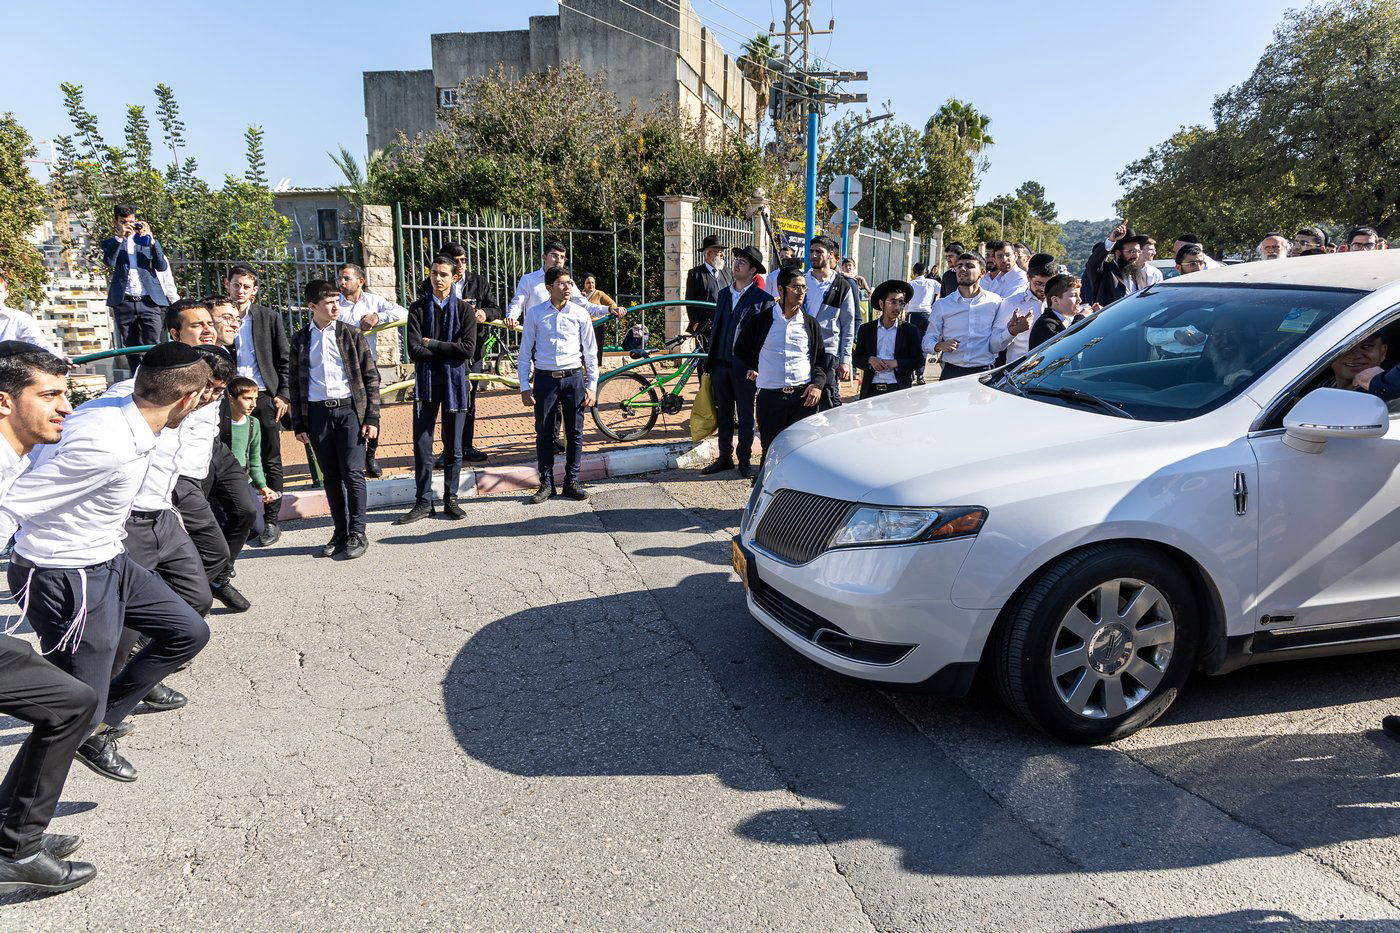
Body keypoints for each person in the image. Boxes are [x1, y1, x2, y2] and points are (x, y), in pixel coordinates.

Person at [1, 342, 213, 783]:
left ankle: (96, 725)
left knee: (186, 630)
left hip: (110, 557)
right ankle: (19, 835)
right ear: (188, 400)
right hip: (68, 573)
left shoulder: (124, 403)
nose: (61, 407)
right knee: (69, 709)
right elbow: (16, 502)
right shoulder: (107, 445)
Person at [0, 343, 98, 895]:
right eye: (51, 395)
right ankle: (16, 847)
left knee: (69, 700)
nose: (65, 407)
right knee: (71, 704)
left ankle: (11, 834)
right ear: (5, 402)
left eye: (66, 393)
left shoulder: (14, 458)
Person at [159, 303, 251, 613]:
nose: (208, 328)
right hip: (182, 462)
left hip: (214, 449)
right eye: (197, 325)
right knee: (204, 542)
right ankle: (173, 611)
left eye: (209, 322)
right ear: (175, 334)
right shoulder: (167, 369)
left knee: (245, 511)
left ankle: (217, 577)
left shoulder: (219, 352)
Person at [290, 280, 380, 559]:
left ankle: (358, 533)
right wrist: (299, 423)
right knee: (330, 476)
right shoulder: (300, 339)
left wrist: (372, 417)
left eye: (337, 301)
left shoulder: (351, 335)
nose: (335, 307)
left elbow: (370, 377)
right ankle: (340, 532)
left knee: (353, 473)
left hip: (349, 411)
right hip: (317, 414)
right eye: (328, 303)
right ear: (312, 306)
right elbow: (294, 382)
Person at [398, 256, 477, 524]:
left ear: (455, 277)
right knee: (422, 444)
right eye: (434, 273)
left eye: (443, 274)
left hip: (455, 385)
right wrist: (446, 349)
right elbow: (413, 350)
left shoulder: (465, 311)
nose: (437, 278)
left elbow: (467, 350)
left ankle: (451, 499)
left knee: (454, 446)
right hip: (427, 385)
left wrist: (431, 344)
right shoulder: (418, 308)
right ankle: (423, 501)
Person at [417, 243, 502, 467]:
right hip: (438, 357)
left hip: (472, 349)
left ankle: (466, 445)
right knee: (444, 402)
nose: (461, 265)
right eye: (456, 261)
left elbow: (495, 308)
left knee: (467, 399)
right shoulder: (430, 285)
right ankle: (448, 449)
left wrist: (484, 312)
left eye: (463, 260)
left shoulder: (478, 282)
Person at [518, 267, 597, 504]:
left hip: (573, 378)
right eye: (561, 284)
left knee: (574, 433)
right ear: (548, 288)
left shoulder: (580, 313)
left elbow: (591, 353)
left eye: (569, 283)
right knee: (544, 434)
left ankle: (571, 482)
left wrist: (591, 385)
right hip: (544, 379)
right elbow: (524, 354)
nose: (567, 288)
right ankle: (547, 484)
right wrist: (524, 385)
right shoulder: (535, 314)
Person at [225, 263, 290, 546]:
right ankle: (233, 518)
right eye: (236, 284)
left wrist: (283, 394)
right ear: (227, 284)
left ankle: (272, 521)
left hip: (263, 395)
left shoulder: (267, 317)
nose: (240, 291)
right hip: (226, 396)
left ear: (255, 291)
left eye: (246, 287)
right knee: (225, 457)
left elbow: (284, 358)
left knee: (269, 458)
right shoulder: (219, 316)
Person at [733, 266, 829, 457]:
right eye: (795, 287)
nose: (801, 292)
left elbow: (820, 360)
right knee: (771, 451)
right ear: (781, 289)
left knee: (802, 452)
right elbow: (741, 349)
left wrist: (817, 385)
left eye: (804, 287)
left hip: (803, 399)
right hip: (770, 398)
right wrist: (757, 365)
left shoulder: (810, 324)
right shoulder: (761, 321)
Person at [701, 245, 771, 479]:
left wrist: (757, 366)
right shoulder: (723, 294)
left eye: (743, 261)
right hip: (720, 363)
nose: (737, 263)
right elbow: (718, 329)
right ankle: (724, 457)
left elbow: (765, 339)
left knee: (745, 416)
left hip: (745, 368)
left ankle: (744, 460)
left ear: (753, 270)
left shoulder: (763, 300)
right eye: (737, 259)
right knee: (724, 414)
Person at [338, 263, 406, 477]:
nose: (341, 283)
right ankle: (350, 458)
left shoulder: (373, 301)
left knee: (372, 413)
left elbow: (402, 312)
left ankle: (371, 457)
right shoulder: (334, 304)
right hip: (341, 369)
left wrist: (378, 317)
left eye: (346, 278)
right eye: (340, 278)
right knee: (347, 413)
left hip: (367, 366)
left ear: (361, 281)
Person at [100, 204, 172, 367]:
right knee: (131, 348)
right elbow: (109, 261)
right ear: (116, 222)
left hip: (149, 300)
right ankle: (136, 382)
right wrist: (120, 237)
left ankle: (156, 379)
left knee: (154, 345)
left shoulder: (145, 241)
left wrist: (152, 241)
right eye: (124, 222)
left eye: (132, 221)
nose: (129, 225)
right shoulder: (110, 243)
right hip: (125, 301)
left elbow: (161, 266)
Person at [925, 252, 1004, 380]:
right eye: (959, 265)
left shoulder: (995, 302)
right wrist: (939, 346)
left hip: (984, 372)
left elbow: (999, 339)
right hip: (951, 372)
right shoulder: (942, 305)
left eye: (969, 266)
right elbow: (927, 340)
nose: (962, 269)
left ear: (982, 273)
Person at [805, 236, 856, 411]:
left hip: (828, 351)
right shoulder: (801, 282)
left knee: (828, 399)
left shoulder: (842, 286)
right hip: (802, 350)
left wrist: (845, 359)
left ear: (830, 255)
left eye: (819, 251)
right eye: (811, 251)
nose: (814, 255)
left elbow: (848, 325)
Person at [854, 280, 923, 399]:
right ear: (881, 304)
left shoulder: (909, 330)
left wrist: (896, 363)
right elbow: (856, 359)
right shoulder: (866, 330)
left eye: (901, 303)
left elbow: (919, 360)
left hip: (898, 389)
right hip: (871, 391)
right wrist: (871, 360)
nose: (897, 307)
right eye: (893, 302)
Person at [992, 253, 1056, 364]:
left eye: (1049, 284)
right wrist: (1012, 331)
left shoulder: (1061, 301)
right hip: (1020, 371)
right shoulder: (1011, 303)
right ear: (1028, 278)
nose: (1043, 289)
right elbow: (994, 346)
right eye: (1038, 283)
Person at [226, 377, 278, 507]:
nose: (253, 404)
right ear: (231, 398)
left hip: (244, 479)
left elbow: (255, 459)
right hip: (224, 479)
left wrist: (262, 485)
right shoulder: (219, 422)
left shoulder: (253, 423)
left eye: (255, 398)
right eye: (247, 398)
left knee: (257, 525)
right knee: (244, 513)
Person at [684, 235, 732, 335]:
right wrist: (695, 322)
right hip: (705, 327)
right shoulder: (695, 274)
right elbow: (689, 299)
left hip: (725, 325)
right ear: (709, 254)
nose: (722, 254)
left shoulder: (728, 272)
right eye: (719, 252)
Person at [0, 271, 57, 352]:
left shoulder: (19, 318)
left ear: (6, 294)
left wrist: (60, 359)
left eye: (0, 292)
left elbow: (39, 344)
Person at [1093, 229, 1152, 306]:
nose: (1136, 256)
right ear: (1118, 252)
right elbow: (1094, 262)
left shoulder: (1141, 274)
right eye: (1132, 251)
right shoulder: (1105, 271)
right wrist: (1111, 240)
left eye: (1138, 251)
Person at [1029, 274, 1087, 350]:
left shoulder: (1067, 319)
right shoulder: (1046, 325)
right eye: (1073, 295)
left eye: (1079, 295)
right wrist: (1081, 318)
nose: (1079, 300)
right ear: (1055, 300)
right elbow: (1065, 347)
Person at [906, 262, 940, 384]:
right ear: (925, 272)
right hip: (926, 315)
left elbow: (905, 300)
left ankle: (910, 374)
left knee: (910, 344)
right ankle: (920, 374)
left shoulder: (910, 284)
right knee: (924, 344)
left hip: (912, 315)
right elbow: (943, 290)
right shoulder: (931, 282)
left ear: (914, 273)